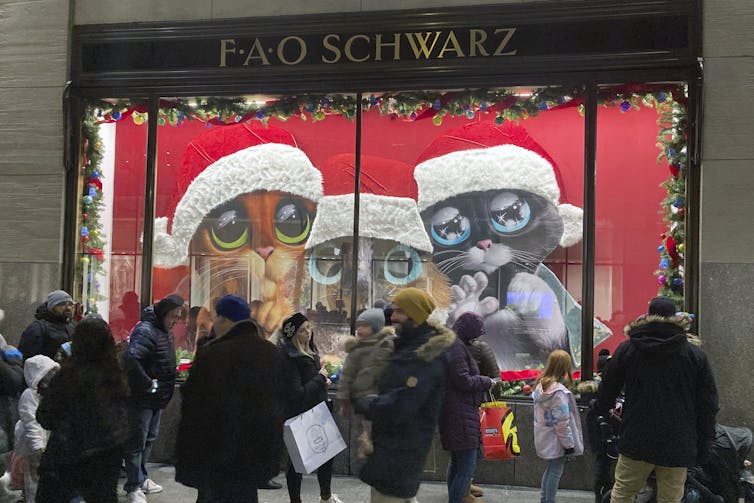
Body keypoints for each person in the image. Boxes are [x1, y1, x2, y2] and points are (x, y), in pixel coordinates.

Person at [596, 296, 718, 503]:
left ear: (649, 315)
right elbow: (708, 403)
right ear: (674, 318)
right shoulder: (694, 355)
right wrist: (704, 440)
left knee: (623, 493)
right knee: (670, 498)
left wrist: (607, 414)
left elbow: (606, 390)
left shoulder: (628, 349)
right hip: (678, 442)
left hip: (636, 438)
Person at [175, 295, 286, 503]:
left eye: (217, 317)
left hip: (217, 454)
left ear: (226, 320)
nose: (214, 323)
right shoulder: (271, 354)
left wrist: (189, 459)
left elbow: (195, 407)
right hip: (257, 452)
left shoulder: (213, 355)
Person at [354, 287, 455, 503]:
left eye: (400, 311)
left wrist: (367, 403)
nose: (393, 316)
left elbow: (403, 404)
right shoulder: (405, 346)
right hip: (391, 449)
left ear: (416, 315)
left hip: (400, 452)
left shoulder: (427, 355)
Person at [35, 317, 129, 502]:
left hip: (67, 459)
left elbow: (45, 417)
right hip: (106, 456)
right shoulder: (115, 375)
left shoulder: (67, 376)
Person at [274, 312, 343, 503]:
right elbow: (298, 394)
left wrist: (322, 381)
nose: (308, 333)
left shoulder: (309, 351)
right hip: (300, 416)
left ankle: (325, 497)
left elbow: (309, 383)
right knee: (297, 463)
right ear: (293, 333)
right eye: (303, 330)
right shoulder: (289, 357)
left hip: (318, 412)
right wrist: (320, 378)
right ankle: (295, 500)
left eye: (309, 328)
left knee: (327, 457)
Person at [123, 294, 184, 503]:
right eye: (174, 316)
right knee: (137, 441)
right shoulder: (146, 330)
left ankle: (141, 478)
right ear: (164, 313)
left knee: (148, 438)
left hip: (157, 397)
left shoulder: (163, 331)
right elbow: (132, 359)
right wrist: (148, 383)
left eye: (179, 317)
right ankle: (133, 485)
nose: (176, 321)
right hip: (143, 397)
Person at [439, 312, 495, 503]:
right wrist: (486, 381)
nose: (478, 337)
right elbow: (463, 380)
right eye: (476, 332)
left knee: (457, 462)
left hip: (456, 411)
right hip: (460, 413)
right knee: (466, 465)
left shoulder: (453, 344)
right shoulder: (456, 347)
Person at [336, 308, 395, 459]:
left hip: (380, 394)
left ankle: (367, 439)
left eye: (364, 326)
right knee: (371, 412)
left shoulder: (387, 345)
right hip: (363, 395)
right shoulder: (356, 350)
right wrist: (344, 400)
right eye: (358, 326)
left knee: (375, 416)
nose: (359, 329)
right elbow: (346, 376)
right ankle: (366, 439)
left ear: (375, 327)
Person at [533, 349, 584, 503]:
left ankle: (545, 500)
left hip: (545, 436)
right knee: (555, 472)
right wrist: (569, 445)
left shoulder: (540, 386)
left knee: (550, 470)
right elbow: (562, 423)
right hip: (557, 440)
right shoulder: (559, 393)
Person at [14, 355, 59, 503]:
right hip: (32, 447)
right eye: (49, 372)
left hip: (45, 444)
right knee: (33, 482)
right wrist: (38, 447)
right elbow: (31, 423)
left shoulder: (49, 394)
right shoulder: (29, 396)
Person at [18, 290, 75, 360]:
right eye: (62, 304)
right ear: (52, 307)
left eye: (70, 304)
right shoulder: (38, 328)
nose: (68, 308)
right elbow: (29, 358)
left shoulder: (72, 326)